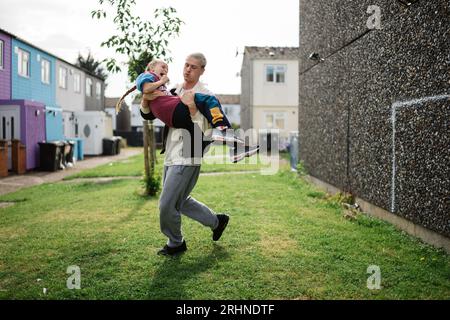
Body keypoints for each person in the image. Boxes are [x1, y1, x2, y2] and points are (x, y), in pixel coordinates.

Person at [140, 53, 232, 256]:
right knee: (180, 201)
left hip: (189, 154)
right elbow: (152, 113)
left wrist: (191, 106)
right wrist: (145, 102)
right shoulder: (172, 90)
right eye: (186, 65)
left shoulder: (206, 95)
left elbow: (206, 131)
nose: (188, 69)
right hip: (171, 154)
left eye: (194, 67)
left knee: (166, 204)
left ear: (202, 71)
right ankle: (217, 222)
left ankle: (175, 243)